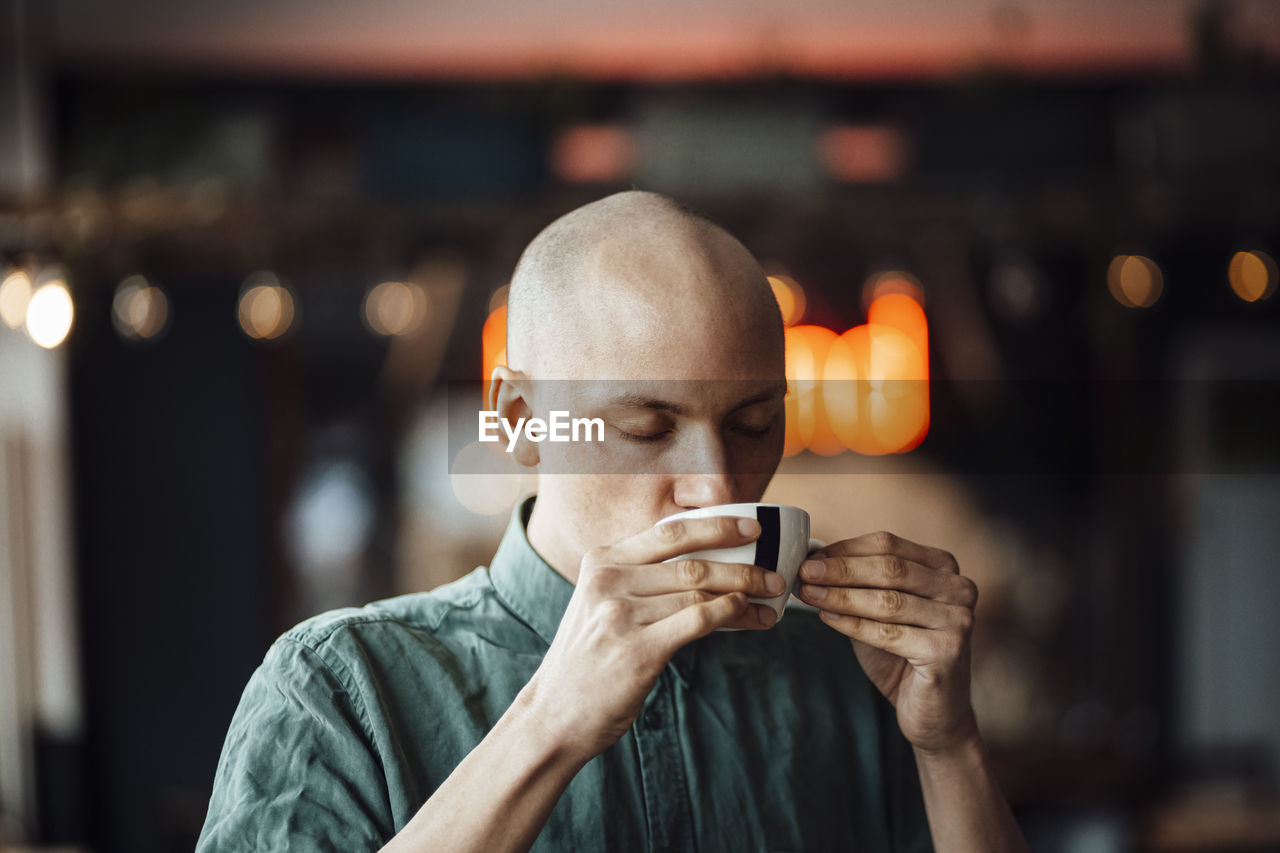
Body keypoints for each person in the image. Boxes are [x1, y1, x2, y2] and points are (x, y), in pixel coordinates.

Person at [197, 191, 1028, 852]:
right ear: (522, 420)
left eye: (751, 424)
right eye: (645, 428)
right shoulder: (338, 687)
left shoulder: (847, 679)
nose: (716, 485)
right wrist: (551, 722)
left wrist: (951, 747)